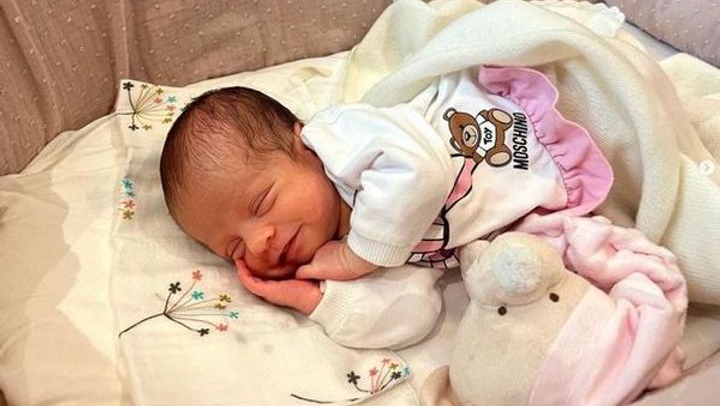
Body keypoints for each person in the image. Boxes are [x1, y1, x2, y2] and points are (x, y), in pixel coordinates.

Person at [159, 65, 616, 347]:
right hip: (546, 193)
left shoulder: (341, 141)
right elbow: (413, 316)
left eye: (262, 202)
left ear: (303, 142)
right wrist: (316, 300)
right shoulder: (352, 247)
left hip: (524, 118)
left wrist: (355, 256)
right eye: (235, 248)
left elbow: (422, 171)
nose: (259, 241)